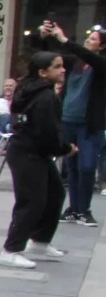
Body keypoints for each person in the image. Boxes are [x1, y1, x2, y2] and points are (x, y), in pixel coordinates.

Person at [0, 50, 73, 270]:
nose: (63, 70)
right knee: (31, 201)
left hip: (33, 151)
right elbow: (47, 133)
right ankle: (11, 249)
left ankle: (40, 241)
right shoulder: (45, 96)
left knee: (55, 192)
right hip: (28, 153)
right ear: (42, 72)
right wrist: (66, 148)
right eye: (57, 67)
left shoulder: (34, 90)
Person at [42, 22, 105, 226]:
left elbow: (89, 57)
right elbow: (49, 58)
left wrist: (65, 40)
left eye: (94, 39)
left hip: (88, 124)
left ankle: (84, 209)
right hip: (68, 120)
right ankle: (73, 208)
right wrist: (47, 36)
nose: (88, 40)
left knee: (86, 166)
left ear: (102, 46)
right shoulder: (74, 62)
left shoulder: (100, 63)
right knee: (71, 166)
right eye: (88, 37)